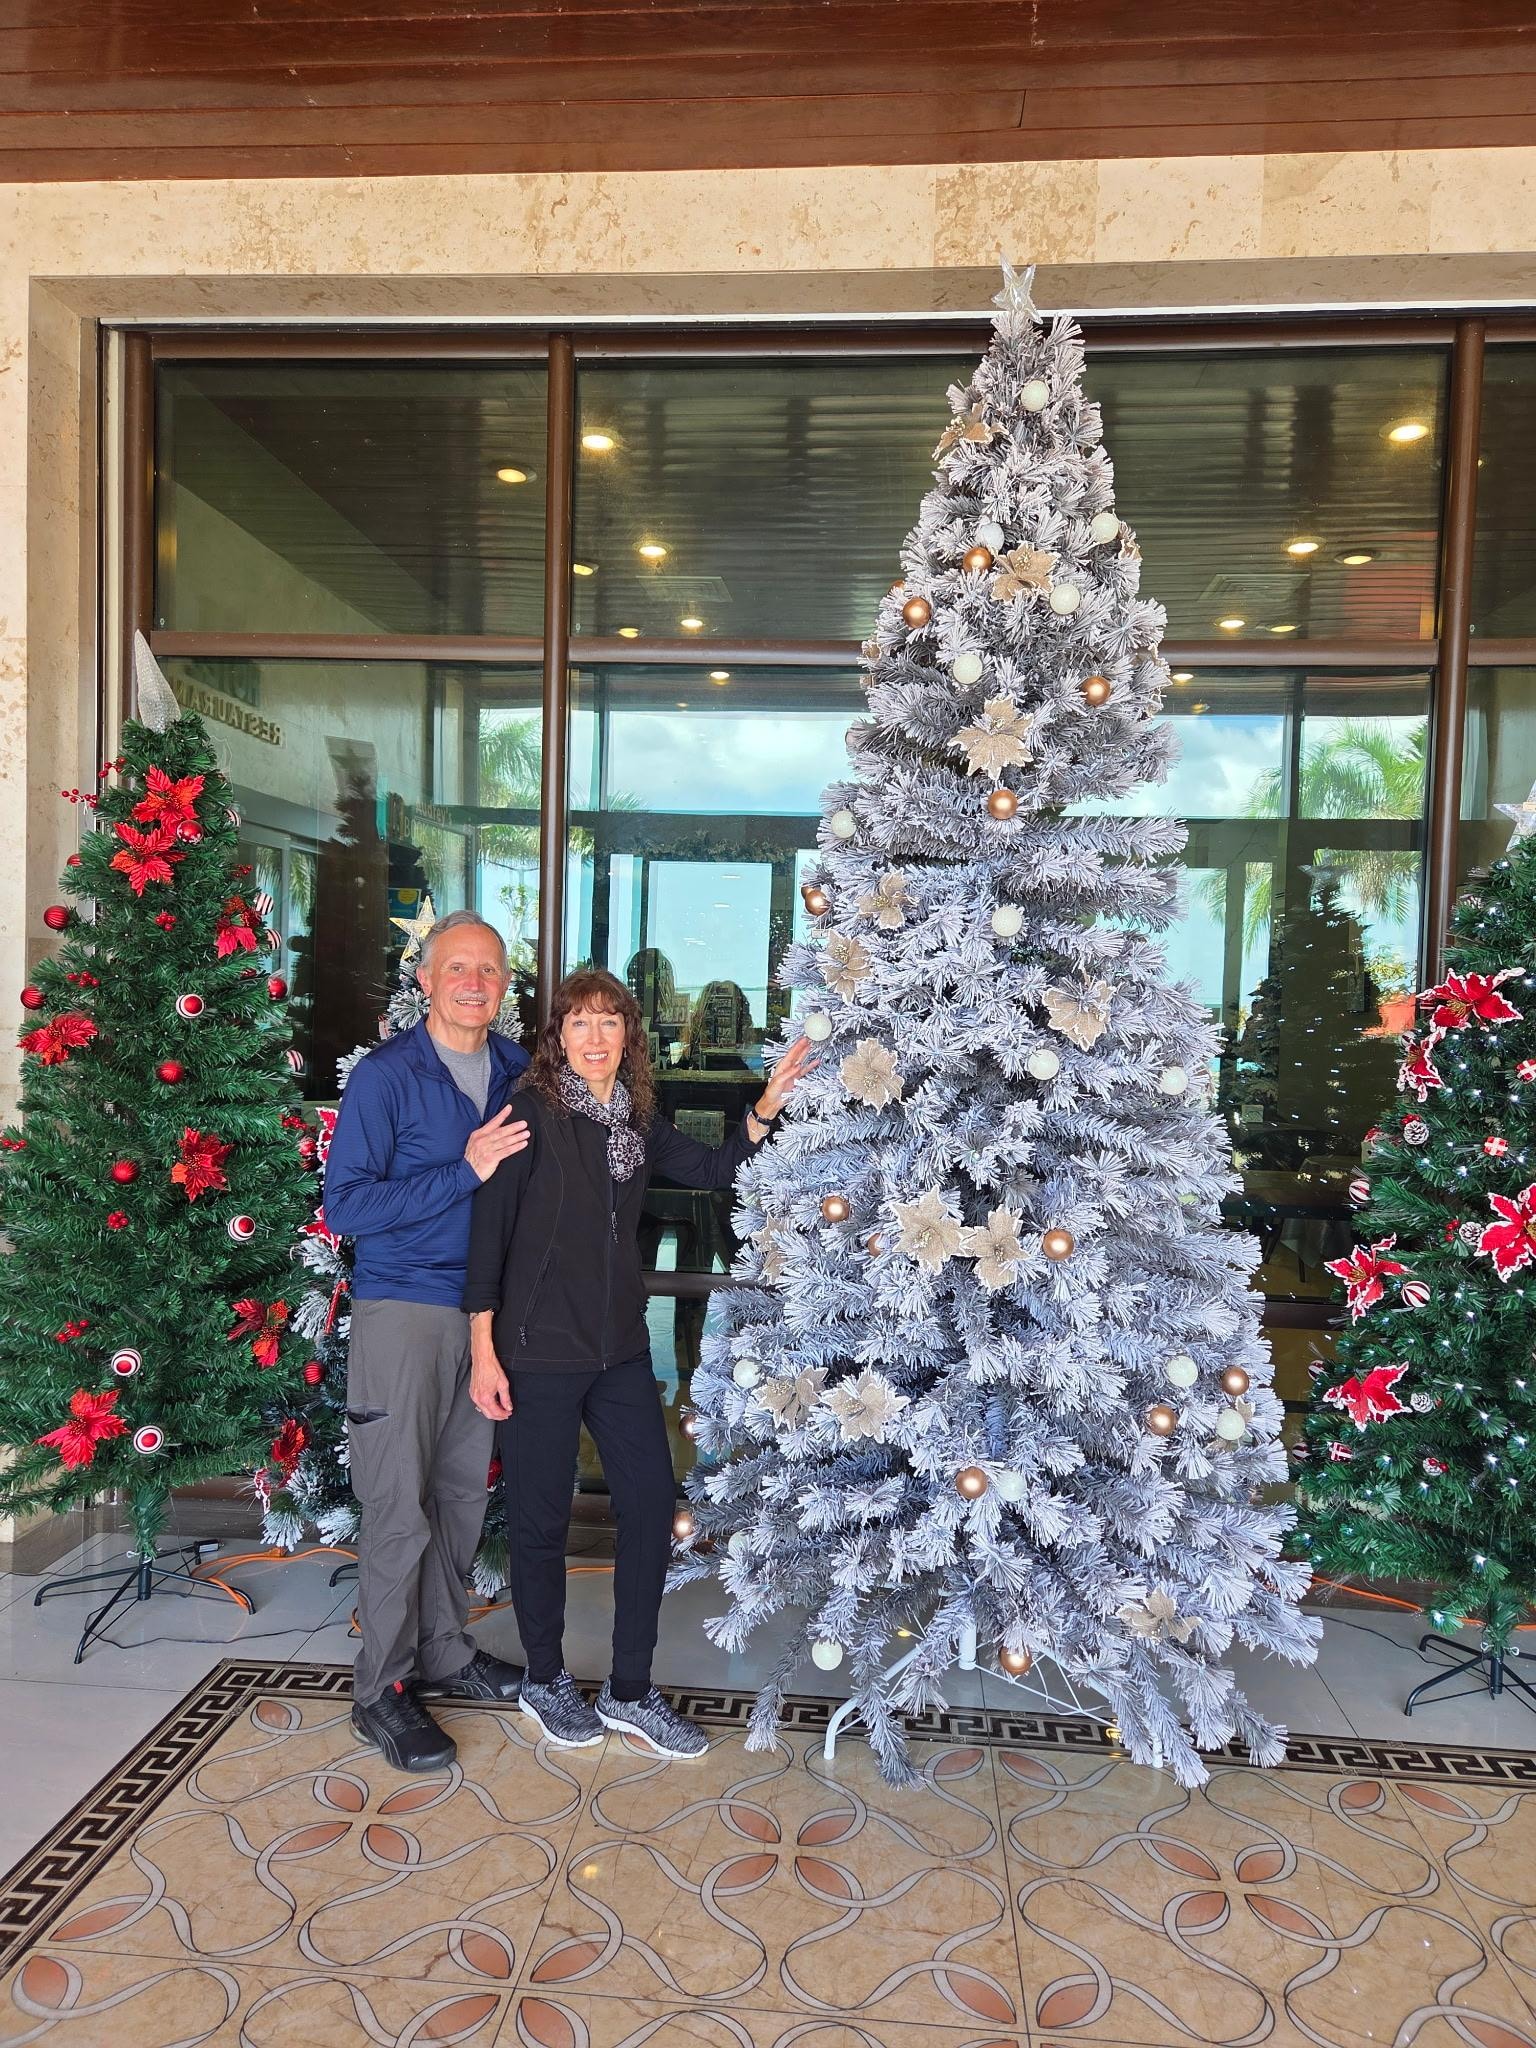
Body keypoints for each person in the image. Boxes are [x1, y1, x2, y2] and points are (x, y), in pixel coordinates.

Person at [462, 967, 813, 1758]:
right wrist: (482, 1351)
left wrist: (766, 1104)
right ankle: (545, 1678)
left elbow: (713, 1169)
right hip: (537, 1353)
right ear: (557, 1037)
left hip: (619, 1350)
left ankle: (629, 1689)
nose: (594, 1038)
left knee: (652, 1505)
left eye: (609, 1022)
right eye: (578, 1023)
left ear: (630, 1036)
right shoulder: (527, 1117)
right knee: (543, 1522)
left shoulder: (636, 1119)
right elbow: (486, 1244)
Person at [323, 909, 532, 1773]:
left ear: (504, 987)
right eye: (458, 968)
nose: (474, 982)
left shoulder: (522, 1070)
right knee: (397, 1505)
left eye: (489, 969)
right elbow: (348, 1208)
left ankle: (446, 1651)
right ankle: (383, 1688)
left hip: (485, 1320)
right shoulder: (387, 1076)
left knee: (458, 1499)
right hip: (403, 1312)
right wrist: (465, 1169)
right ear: (426, 979)